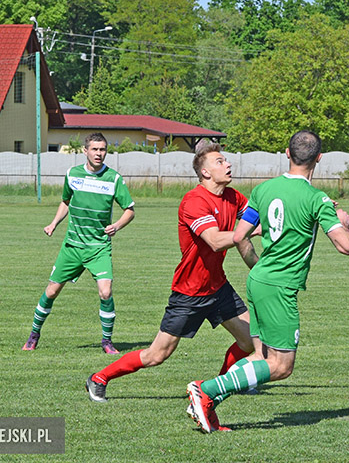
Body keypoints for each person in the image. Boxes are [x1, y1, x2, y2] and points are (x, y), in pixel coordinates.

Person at [186, 130, 349, 433]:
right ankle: (206, 389)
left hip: (259, 279)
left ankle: (208, 401)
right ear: (319, 159)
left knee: (261, 355)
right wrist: (341, 221)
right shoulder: (317, 199)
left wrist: (259, 266)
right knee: (281, 366)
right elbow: (345, 246)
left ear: (287, 154)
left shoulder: (263, 190)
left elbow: (239, 237)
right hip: (280, 287)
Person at [85, 142, 258, 409]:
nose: (228, 164)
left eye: (226, 160)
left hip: (218, 287)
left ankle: (220, 386)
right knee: (156, 355)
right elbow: (213, 240)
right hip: (189, 293)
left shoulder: (233, 197)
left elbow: (259, 218)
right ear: (206, 173)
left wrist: (314, 208)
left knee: (249, 341)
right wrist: (244, 233)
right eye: (220, 161)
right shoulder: (194, 201)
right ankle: (99, 378)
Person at [22, 132, 135, 354]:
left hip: (99, 247)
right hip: (72, 246)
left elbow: (129, 210)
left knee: (105, 291)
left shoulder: (113, 178)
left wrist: (117, 226)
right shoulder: (72, 175)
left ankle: (107, 342)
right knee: (52, 291)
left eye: (102, 149)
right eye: (94, 149)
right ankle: (34, 335)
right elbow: (66, 201)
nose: (99, 154)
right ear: (85, 151)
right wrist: (54, 223)